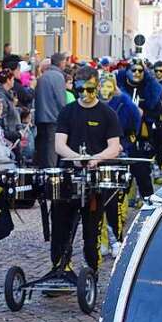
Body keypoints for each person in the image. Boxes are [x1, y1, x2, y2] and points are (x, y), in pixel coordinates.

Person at [51, 66, 122, 274]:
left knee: (92, 232)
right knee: (60, 227)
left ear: (97, 86)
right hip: (68, 177)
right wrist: (75, 158)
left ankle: (91, 273)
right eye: (80, 90)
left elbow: (114, 147)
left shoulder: (107, 113)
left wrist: (96, 159)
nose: (85, 94)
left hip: (95, 179)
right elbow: (59, 144)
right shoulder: (68, 111)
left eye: (90, 90)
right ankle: (60, 269)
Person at [100, 72, 139, 256]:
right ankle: (103, 240)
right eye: (102, 85)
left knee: (114, 200)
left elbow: (134, 123)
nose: (105, 89)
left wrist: (125, 143)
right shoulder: (94, 103)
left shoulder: (124, 101)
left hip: (119, 153)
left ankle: (117, 238)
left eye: (108, 85)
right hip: (98, 156)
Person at [118, 59, 160, 198]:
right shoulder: (119, 88)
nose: (137, 73)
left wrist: (145, 114)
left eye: (140, 70)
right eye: (134, 70)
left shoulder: (150, 90)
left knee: (143, 176)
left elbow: (157, 113)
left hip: (142, 138)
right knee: (120, 178)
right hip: (121, 137)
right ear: (127, 71)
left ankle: (149, 206)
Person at [34, 53, 68, 167]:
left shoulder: (44, 76)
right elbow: (61, 99)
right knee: (52, 150)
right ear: (61, 62)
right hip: (53, 118)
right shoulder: (58, 76)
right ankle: (51, 176)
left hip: (41, 118)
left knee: (43, 149)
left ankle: (44, 174)